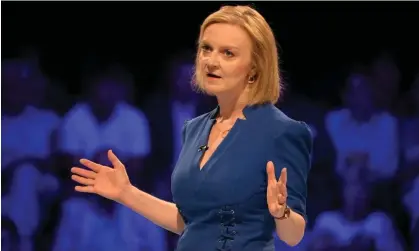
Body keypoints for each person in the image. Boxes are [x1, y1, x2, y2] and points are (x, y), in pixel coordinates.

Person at [71, 5, 312, 250]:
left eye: (228, 53)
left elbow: (293, 235)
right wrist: (126, 193)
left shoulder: (284, 131)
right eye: (207, 49)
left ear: (254, 66)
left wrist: (281, 213)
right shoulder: (194, 129)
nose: (211, 61)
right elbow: (192, 223)